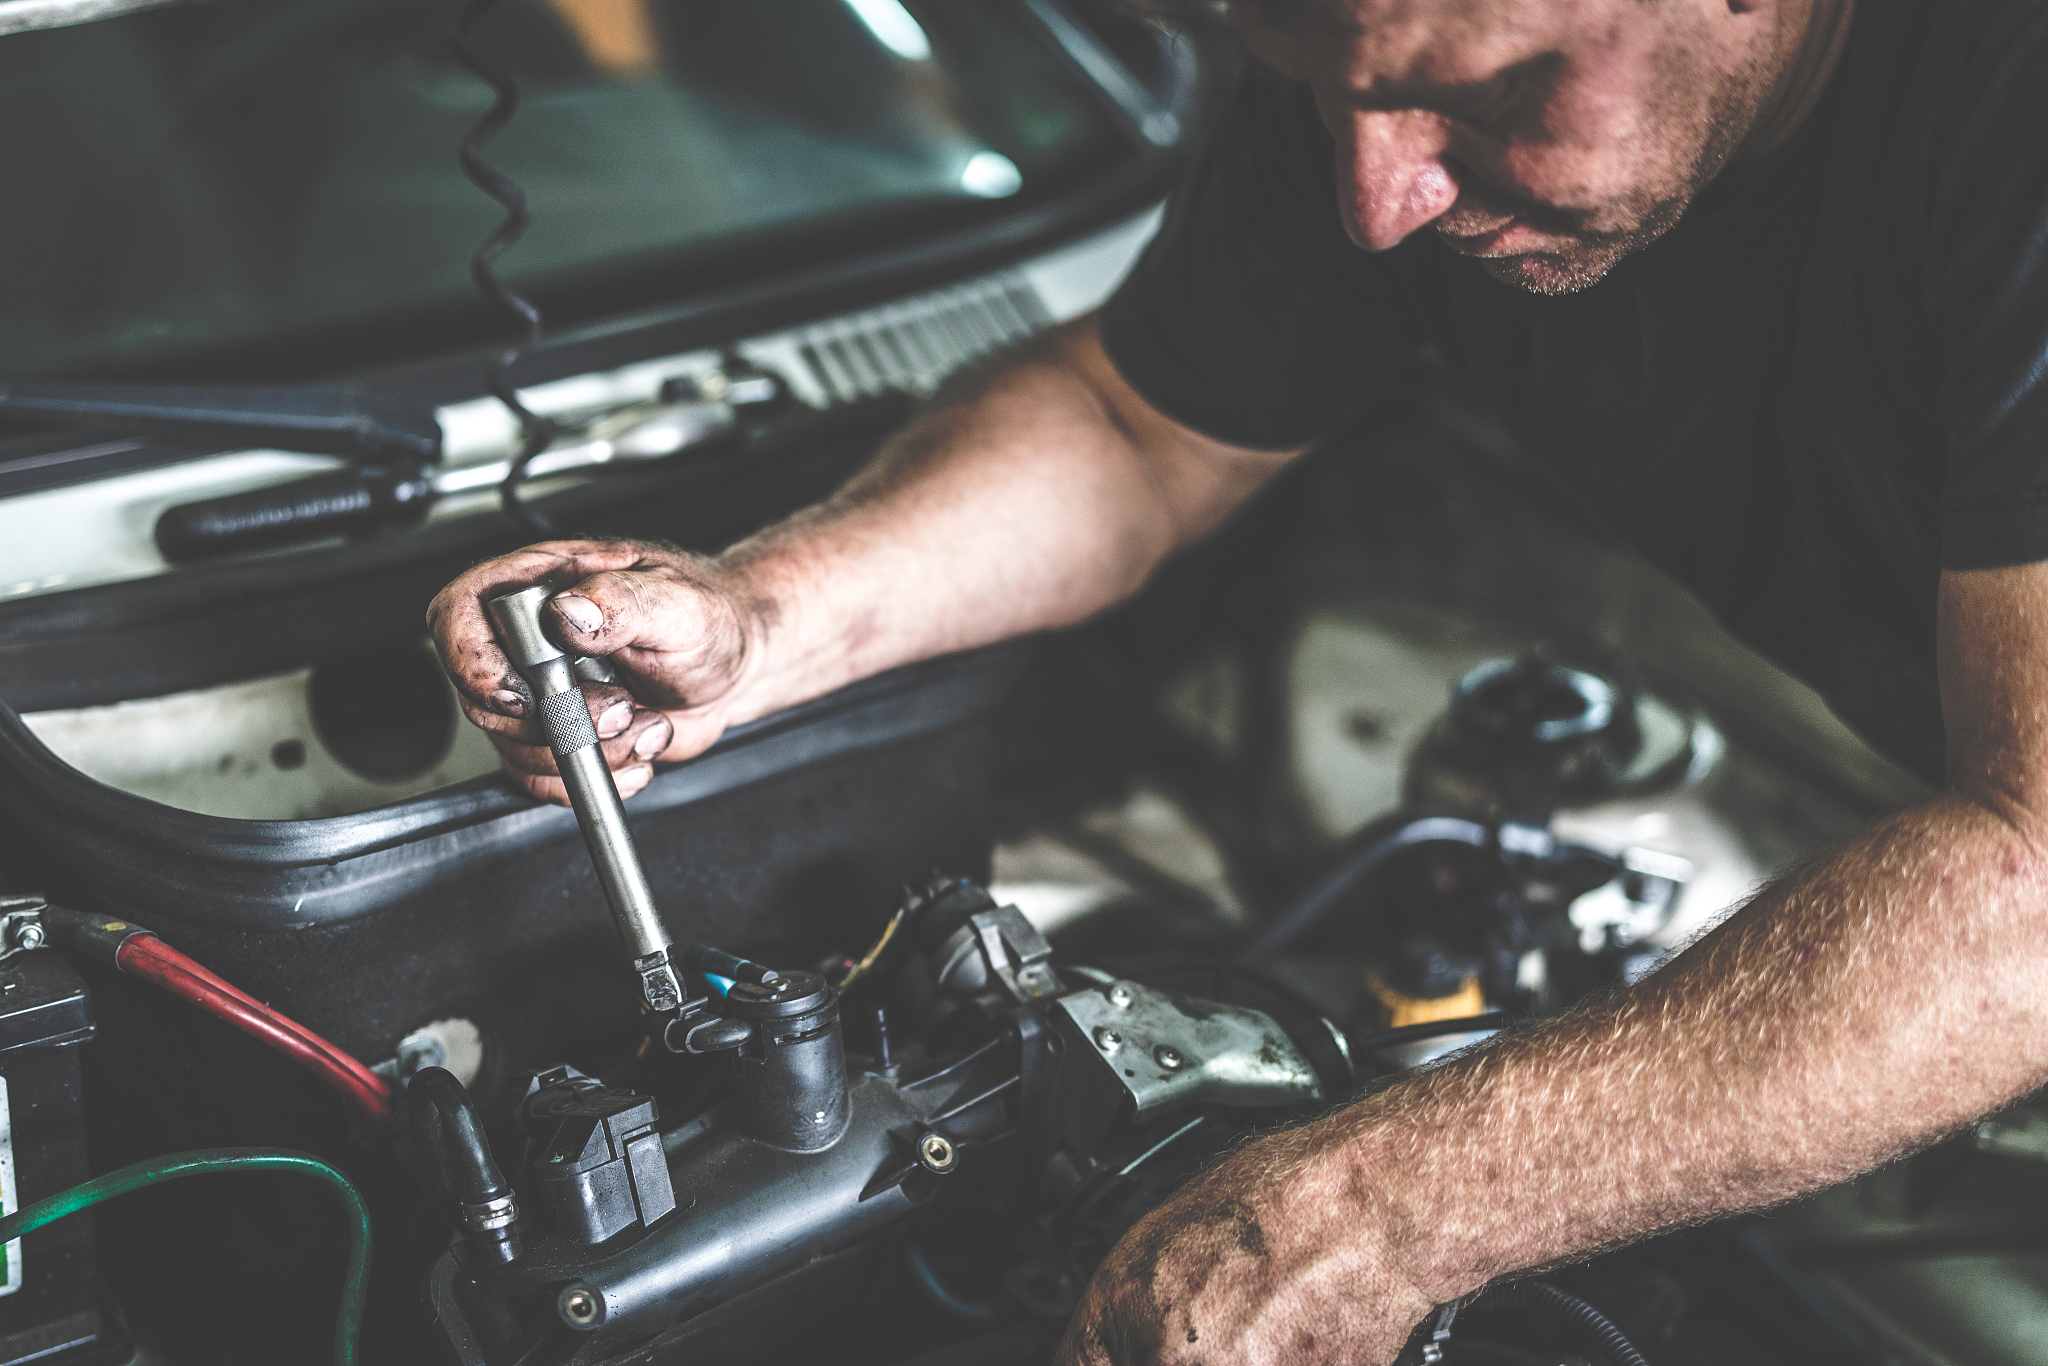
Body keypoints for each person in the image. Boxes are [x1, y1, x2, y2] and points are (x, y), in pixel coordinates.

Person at [428, 0, 2048, 1359]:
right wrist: (754, 621)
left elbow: (2033, 881)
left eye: (1486, 92)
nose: (1378, 202)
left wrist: (1378, 1207)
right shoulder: (1381, 83)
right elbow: (1144, 429)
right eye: (1311, 87)